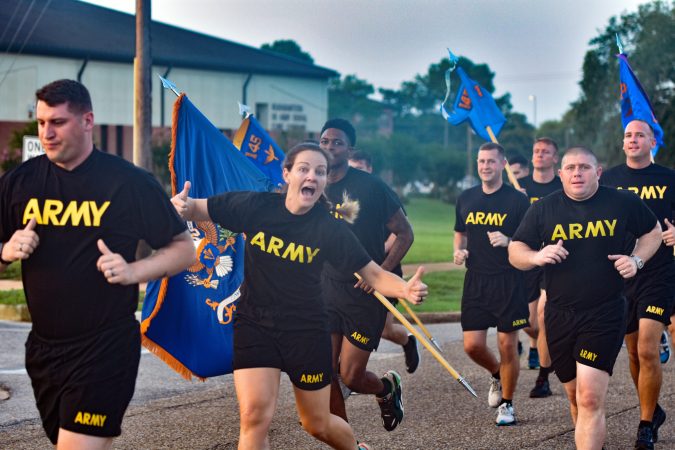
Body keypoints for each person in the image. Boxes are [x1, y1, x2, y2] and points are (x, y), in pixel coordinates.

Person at [172, 142, 427, 450]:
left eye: (320, 171)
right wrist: (182, 207)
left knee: (316, 423)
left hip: (305, 331)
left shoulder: (329, 229)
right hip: (256, 324)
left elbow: (373, 274)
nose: (312, 176)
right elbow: (199, 208)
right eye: (304, 169)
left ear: (324, 181)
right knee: (254, 418)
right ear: (287, 174)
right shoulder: (255, 207)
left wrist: (404, 288)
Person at [0, 79, 195, 449]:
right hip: (43, 351)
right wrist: (5, 251)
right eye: (41, 123)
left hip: (105, 347)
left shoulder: (128, 183)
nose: (47, 132)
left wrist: (134, 271)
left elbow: (185, 250)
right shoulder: (19, 183)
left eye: (57, 122)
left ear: (87, 121)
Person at [508, 146, 662, 450]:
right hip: (559, 313)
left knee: (590, 397)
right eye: (571, 168)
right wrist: (537, 256)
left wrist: (636, 261)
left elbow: (653, 231)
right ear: (561, 174)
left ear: (598, 172)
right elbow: (516, 251)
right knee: (574, 396)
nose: (577, 173)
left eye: (584, 167)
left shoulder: (621, 202)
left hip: (604, 311)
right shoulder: (543, 209)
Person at [319, 119, 414, 432]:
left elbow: (404, 234)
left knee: (351, 376)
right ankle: (346, 441)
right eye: (325, 141)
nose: (330, 147)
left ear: (350, 149)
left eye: (337, 142)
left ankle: (386, 389)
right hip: (326, 289)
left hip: (363, 294)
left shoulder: (372, 187)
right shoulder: (312, 185)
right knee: (325, 370)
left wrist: (379, 274)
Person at [601, 119, 675, 449]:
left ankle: (645, 424)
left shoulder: (668, 179)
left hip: (658, 272)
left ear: (652, 142)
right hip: (621, 275)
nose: (633, 140)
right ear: (623, 143)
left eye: (639, 135)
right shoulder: (611, 180)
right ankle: (652, 408)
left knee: (647, 347)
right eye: (628, 135)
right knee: (632, 351)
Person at [453, 142, 530, 426]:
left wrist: (509, 241)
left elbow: (532, 241)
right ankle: (498, 374)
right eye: (481, 161)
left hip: (508, 280)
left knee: (507, 345)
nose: (485, 166)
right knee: (472, 346)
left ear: (502, 165)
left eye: (491, 161)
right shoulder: (466, 198)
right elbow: (460, 233)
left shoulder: (517, 200)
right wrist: (458, 251)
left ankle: (507, 404)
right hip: (475, 280)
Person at [348, 150, 420, 375]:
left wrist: (376, 259)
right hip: (351, 270)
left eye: (360, 169)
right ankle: (347, 374)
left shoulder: (380, 192)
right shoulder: (344, 196)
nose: (356, 174)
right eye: (353, 169)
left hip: (383, 266)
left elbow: (399, 232)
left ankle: (407, 341)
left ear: (369, 169)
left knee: (384, 329)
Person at [518, 138, 563, 397]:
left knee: (544, 315)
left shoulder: (562, 186)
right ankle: (546, 344)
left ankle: (543, 377)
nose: (540, 155)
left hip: (553, 258)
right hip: (527, 258)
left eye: (546, 152)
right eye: (536, 151)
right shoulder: (520, 188)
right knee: (528, 322)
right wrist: (516, 201)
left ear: (554, 158)